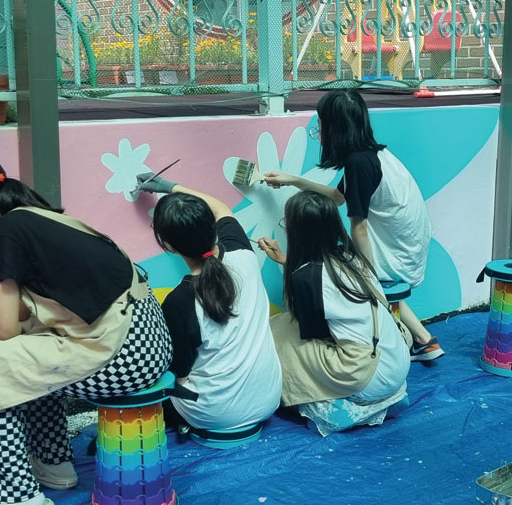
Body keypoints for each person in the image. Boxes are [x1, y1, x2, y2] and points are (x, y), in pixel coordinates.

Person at [0, 153, 172, 505]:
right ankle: (54, 463)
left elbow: (5, 329)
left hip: (122, 353)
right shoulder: (35, 217)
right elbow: (23, 312)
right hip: (148, 339)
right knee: (32, 349)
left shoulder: (5, 232)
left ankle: (18, 501)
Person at [261, 90, 443, 361]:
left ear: (334, 129)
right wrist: (293, 180)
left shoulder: (359, 163)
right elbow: (337, 197)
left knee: (340, 266)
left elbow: (359, 227)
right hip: (408, 244)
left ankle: (390, 339)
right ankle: (425, 340)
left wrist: (365, 275)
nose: (318, 132)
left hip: (398, 253)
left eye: (320, 125)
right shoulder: (371, 155)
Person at [136, 172, 281, 442]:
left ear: (167, 246)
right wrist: (170, 186)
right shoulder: (243, 254)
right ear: (213, 230)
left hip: (213, 415)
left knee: (149, 384)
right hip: (268, 400)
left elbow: (179, 371)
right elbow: (221, 208)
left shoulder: (180, 300)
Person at [259, 190, 410, 433]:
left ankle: (342, 408)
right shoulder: (351, 256)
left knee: (278, 335)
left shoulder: (307, 277)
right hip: (398, 364)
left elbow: (315, 334)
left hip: (369, 376)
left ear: (297, 231)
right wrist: (286, 261)